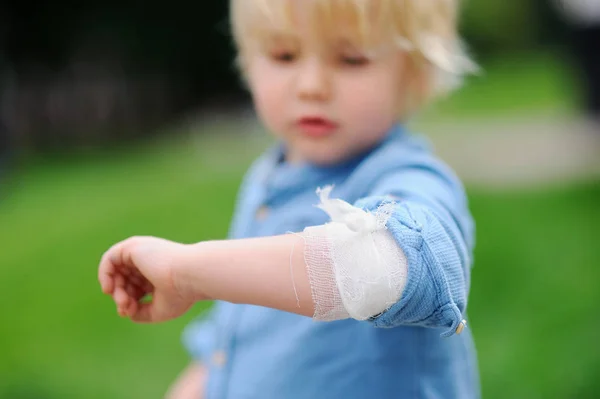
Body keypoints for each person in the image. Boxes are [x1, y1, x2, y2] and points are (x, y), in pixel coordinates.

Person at [98, 0, 480, 398]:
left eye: (351, 59)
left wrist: (188, 272)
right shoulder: (268, 177)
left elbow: (402, 267)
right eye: (284, 55)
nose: (311, 85)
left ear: (414, 74)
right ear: (248, 62)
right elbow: (241, 328)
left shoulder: (407, 177)